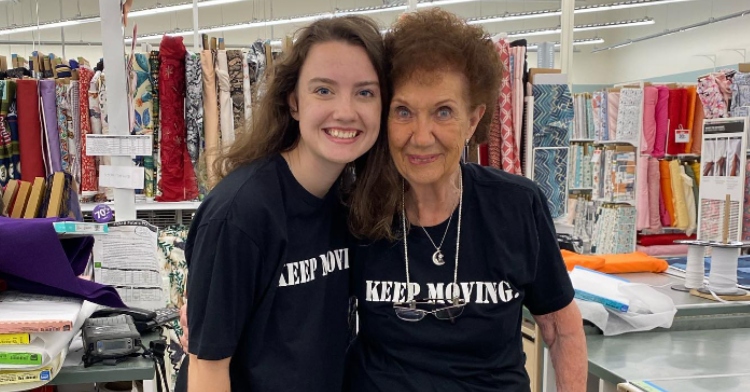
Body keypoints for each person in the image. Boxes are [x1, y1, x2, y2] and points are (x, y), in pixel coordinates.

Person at [344, 9, 587, 391]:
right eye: (404, 112)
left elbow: (560, 328)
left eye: (443, 112)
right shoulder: (356, 211)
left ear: (474, 120)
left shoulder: (516, 205)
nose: (421, 136)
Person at [178, 15, 388, 392]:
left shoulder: (348, 202)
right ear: (293, 102)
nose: (345, 111)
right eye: (324, 90)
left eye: (365, 92)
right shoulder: (239, 215)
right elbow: (207, 371)